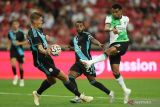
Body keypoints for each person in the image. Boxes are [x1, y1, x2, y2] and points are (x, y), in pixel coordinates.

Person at [27, 12, 93, 106]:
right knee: (64, 76)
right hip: (41, 61)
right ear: (34, 21)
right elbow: (40, 48)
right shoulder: (33, 33)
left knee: (52, 81)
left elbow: (42, 41)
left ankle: (37, 93)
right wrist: (46, 51)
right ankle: (81, 96)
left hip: (47, 59)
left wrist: (48, 41)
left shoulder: (39, 30)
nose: (42, 21)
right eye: (40, 20)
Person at [80, 4, 131, 104]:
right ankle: (126, 90)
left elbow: (123, 28)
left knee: (108, 51)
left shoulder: (126, 19)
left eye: (116, 11)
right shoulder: (109, 18)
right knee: (115, 72)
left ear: (121, 11)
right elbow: (106, 28)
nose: (114, 13)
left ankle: (90, 62)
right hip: (114, 44)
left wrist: (118, 31)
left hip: (123, 42)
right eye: (113, 12)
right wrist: (113, 29)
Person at [67, 21, 114, 103]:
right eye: (77, 26)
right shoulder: (74, 39)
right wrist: (68, 48)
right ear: (76, 28)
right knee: (70, 77)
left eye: (81, 26)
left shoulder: (86, 35)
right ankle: (77, 97)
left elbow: (93, 40)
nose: (79, 27)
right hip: (78, 63)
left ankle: (110, 93)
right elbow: (76, 48)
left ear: (83, 27)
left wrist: (99, 44)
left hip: (87, 62)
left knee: (93, 82)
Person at [7, 20, 27, 87]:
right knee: (13, 63)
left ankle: (21, 79)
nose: (15, 25)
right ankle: (15, 76)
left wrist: (19, 43)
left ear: (18, 25)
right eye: (14, 24)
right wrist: (8, 46)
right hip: (13, 50)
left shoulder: (21, 33)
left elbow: (26, 41)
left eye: (16, 24)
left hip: (20, 51)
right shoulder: (10, 33)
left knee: (20, 66)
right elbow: (9, 41)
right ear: (12, 25)